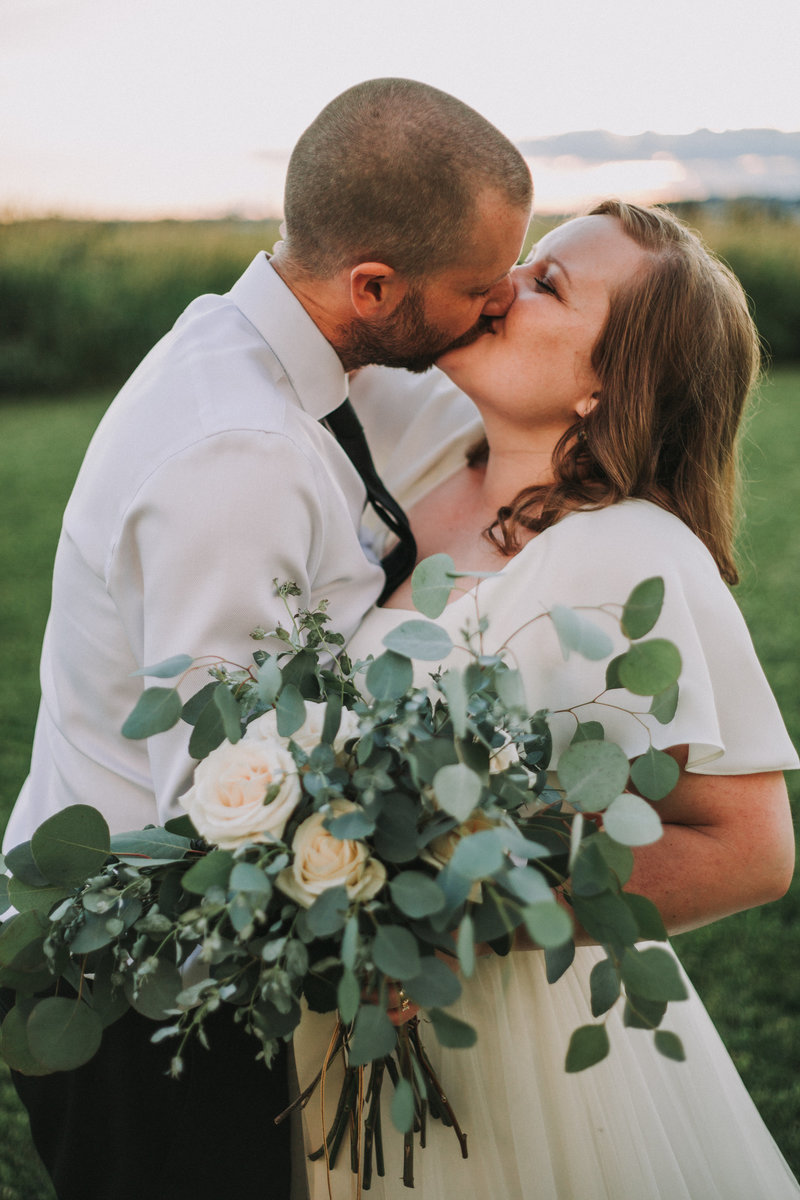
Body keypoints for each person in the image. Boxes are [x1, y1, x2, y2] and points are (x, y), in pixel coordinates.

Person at [0, 78, 532, 1200]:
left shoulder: (275, 352)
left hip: (176, 958)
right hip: (133, 989)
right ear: (373, 286)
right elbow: (227, 792)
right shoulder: (235, 455)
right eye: (480, 291)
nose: (498, 311)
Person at [291, 201, 799, 1198]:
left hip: (505, 1044)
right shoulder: (431, 468)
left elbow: (750, 849)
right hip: (333, 1021)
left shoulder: (629, 553)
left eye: (546, 285)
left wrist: (451, 923)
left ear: (608, 382)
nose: (499, 283)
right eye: (526, 260)